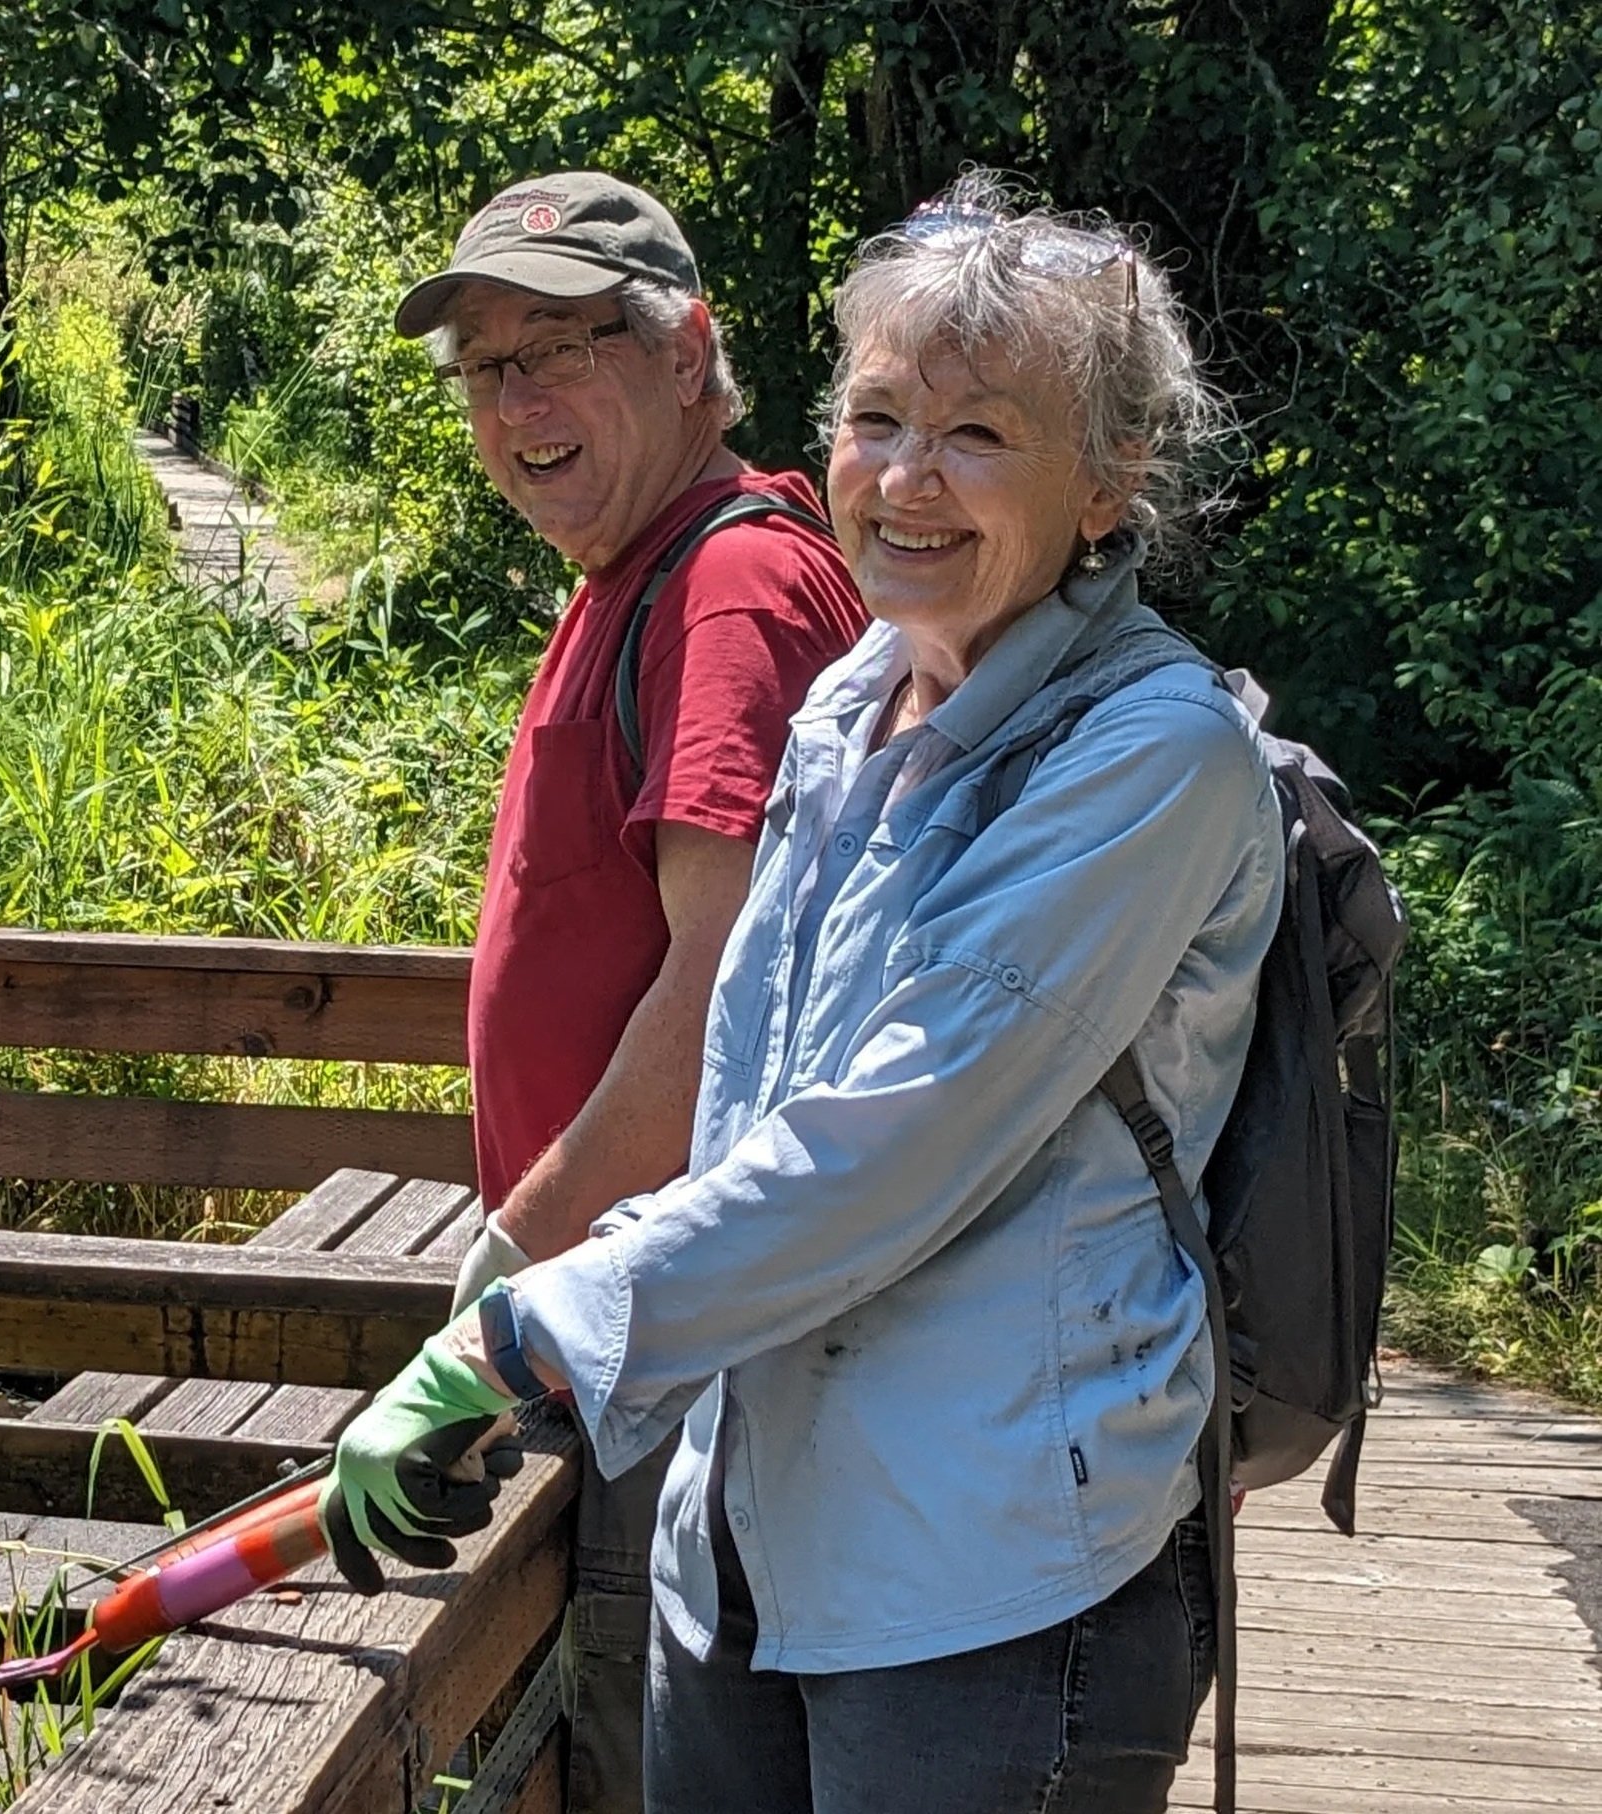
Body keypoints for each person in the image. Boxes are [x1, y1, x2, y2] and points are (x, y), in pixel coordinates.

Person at [320, 170, 1283, 1814]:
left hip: (988, 1585)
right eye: (879, 415)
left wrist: (526, 1325)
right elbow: (746, 1097)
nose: (908, 477)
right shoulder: (851, 707)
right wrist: (555, 1322)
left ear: (1111, 482)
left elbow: (886, 1142)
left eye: (980, 434)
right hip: (750, 1528)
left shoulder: (1156, 757)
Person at [389, 173, 865, 1809]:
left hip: (671, 1331)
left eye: (561, 346)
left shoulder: (722, 588)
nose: (516, 399)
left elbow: (725, 991)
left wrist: (514, 1261)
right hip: (635, 1325)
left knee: (653, 1757)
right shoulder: (641, 567)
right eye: (483, 366)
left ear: (688, 354)